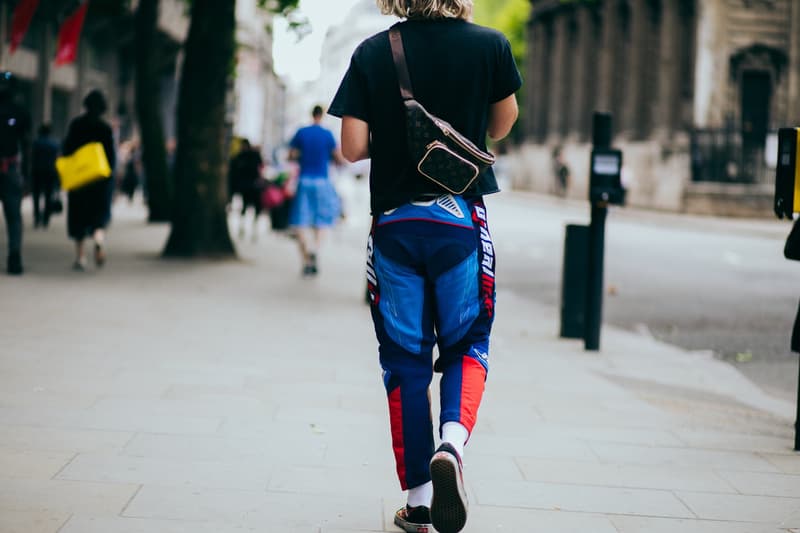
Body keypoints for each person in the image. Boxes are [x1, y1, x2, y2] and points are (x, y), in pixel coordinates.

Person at [329, 1, 521, 531]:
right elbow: (501, 125)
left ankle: (417, 503)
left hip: (394, 224)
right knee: (467, 342)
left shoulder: (372, 51)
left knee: (404, 359)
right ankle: (452, 446)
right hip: (460, 218)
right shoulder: (490, 46)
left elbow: (351, 147)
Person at [287, 105, 345, 276]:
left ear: (311, 114)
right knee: (323, 220)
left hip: (304, 180)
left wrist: (302, 156)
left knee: (300, 221)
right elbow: (339, 158)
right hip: (323, 181)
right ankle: (315, 249)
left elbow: (291, 155)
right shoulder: (327, 134)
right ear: (322, 115)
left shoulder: (301, 132)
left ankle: (306, 259)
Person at [62, 89, 116, 271]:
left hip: (79, 179)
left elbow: (67, 150)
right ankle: (99, 241)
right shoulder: (105, 128)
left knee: (78, 218)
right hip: (99, 181)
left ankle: (80, 257)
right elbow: (111, 158)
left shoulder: (76, 125)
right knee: (98, 217)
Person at [0, 71, 31, 275]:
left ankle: (14, 256)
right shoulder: (20, 112)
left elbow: (26, 144)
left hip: (10, 168)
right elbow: (26, 145)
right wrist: (26, 175)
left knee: (14, 216)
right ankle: (14, 257)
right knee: (14, 217)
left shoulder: (20, 112)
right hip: (10, 168)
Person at [31, 124, 60, 228]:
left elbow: (32, 157)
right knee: (48, 195)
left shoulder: (36, 143)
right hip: (50, 171)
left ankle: (37, 217)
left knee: (36, 195)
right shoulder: (54, 143)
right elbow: (58, 158)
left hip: (37, 171)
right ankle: (46, 219)